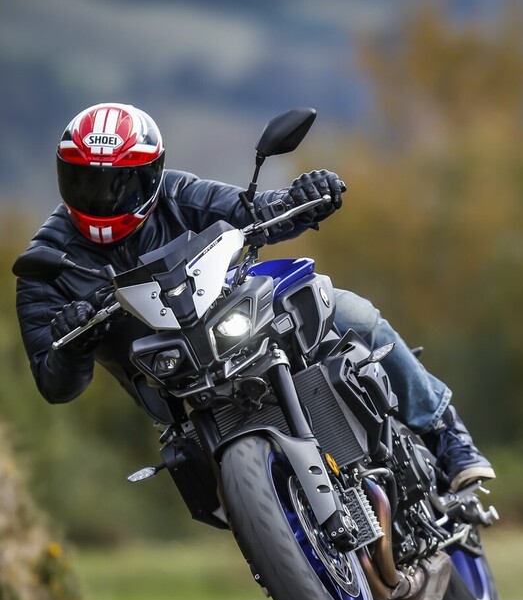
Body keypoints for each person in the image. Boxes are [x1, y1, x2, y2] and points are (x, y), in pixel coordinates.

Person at [15, 102, 494, 492]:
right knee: (196, 473)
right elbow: (53, 383)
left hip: (234, 326)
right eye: (86, 181)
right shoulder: (46, 265)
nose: (104, 197)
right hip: (173, 387)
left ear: (152, 175)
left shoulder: (176, 194)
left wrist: (302, 199)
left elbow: (249, 211)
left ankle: (444, 432)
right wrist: (72, 343)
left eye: (121, 183)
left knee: (347, 310)